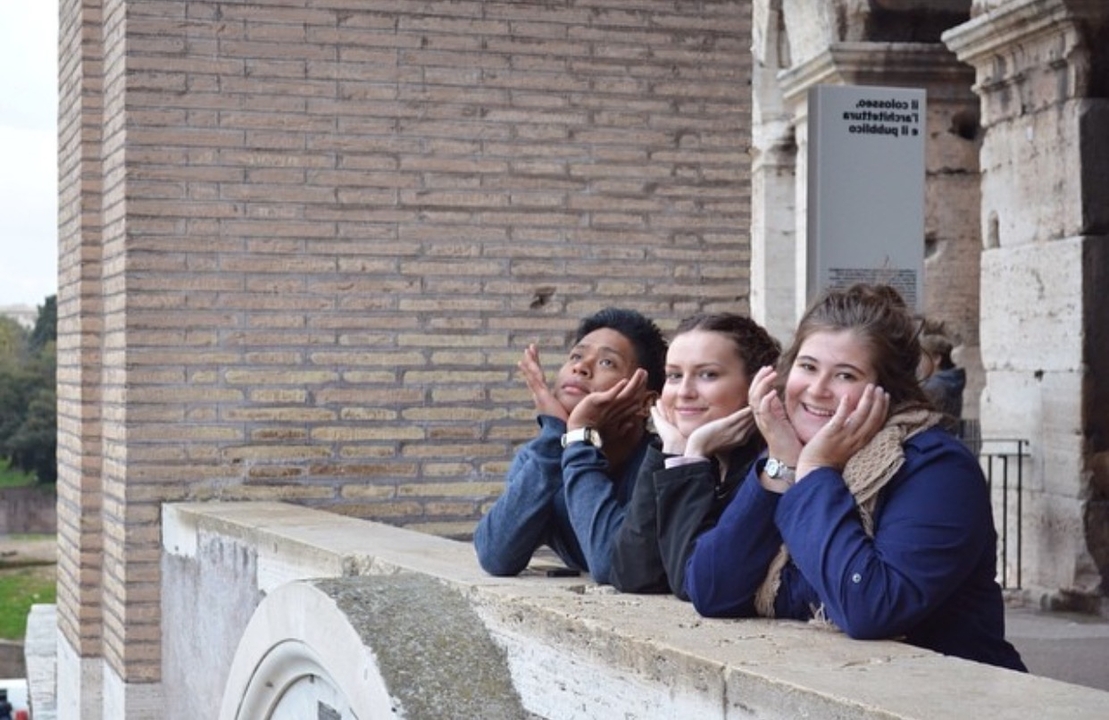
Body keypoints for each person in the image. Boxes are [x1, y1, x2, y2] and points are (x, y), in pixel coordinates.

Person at [683, 284, 1027, 671]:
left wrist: (815, 474)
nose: (817, 390)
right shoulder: (787, 453)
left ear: (886, 391)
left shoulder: (937, 469)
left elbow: (872, 607)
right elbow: (712, 591)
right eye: (808, 367)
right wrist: (782, 464)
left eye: (845, 375)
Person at [473, 307, 668, 584]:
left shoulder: (661, 466)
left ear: (644, 402)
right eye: (576, 356)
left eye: (607, 363)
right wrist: (555, 434)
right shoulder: (542, 456)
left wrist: (578, 434)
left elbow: (611, 564)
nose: (580, 367)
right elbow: (496, 555)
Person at [610, 313, 781, 597]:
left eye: (708, 375)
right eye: (675, 376)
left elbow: (692, 584)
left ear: (756, 385)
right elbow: (633, 574)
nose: (684, 392)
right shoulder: (697, 455)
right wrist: (672, 453)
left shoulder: (770, 468)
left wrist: (692, 457)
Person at [918, 319, 965, 421]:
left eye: (923, 358)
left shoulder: (933, 388)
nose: (920, 363)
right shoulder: (952, 382)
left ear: (936, 359)